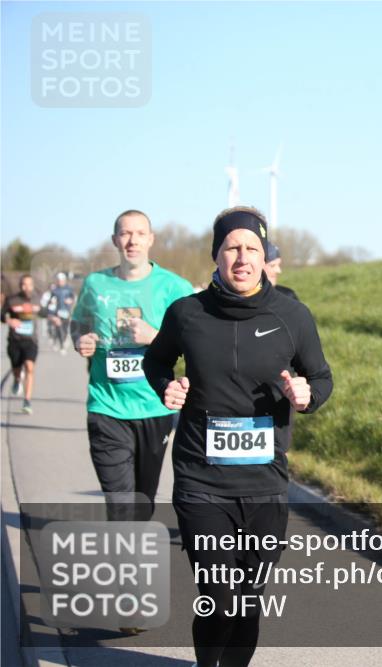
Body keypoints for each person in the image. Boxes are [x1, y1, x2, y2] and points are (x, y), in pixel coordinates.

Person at [143, 205, 332, 667]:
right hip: (201, 479)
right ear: (216, 255)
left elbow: (322, 379)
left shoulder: (292, 315)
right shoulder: (186, 314)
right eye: (233, 247)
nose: (243, 257)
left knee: (248, 598)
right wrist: (166, 384)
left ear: (265, 256)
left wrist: (306, 395)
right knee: (219, 594)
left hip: (265, 483)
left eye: (253, 248)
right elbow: (156, 361)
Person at [71, 209, 194, 522]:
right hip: (106, 407)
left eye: (140, 233)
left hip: (154, 408)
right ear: (115, 239)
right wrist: (80, 339)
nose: (132, 240)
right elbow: (78, 323)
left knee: (143, 502)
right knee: (121, 504)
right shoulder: (95, 284)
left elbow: (194, 344)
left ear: (150, 240)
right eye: (125, 233)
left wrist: (154, 336)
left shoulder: (174, 287)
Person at [2, 274, 42, 414]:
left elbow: (44, 312)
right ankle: (17, 379)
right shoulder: (12, 300)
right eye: (24, 284)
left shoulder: (37, 300)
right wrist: (9, 321)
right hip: (15, 341)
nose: (27, 287)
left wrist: (54, 316)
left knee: (30, 367)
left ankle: (27, 401)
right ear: (20, 286)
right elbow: (2, 315)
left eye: (29, 284)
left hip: (31, 341)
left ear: (32, 285)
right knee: (17, 369)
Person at [46, 272, 75, 354]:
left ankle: (65, 339)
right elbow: (51, 302)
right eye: (59, 280)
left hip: (66, 312)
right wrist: (51, 311)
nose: (60, 282)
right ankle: (62, 345)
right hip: (57, 313)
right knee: (59, 328)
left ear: (64, 280)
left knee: (65, 329)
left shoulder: (69, 289)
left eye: (62, 280)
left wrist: (70, 301)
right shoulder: (54, 290)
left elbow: (73, 298)